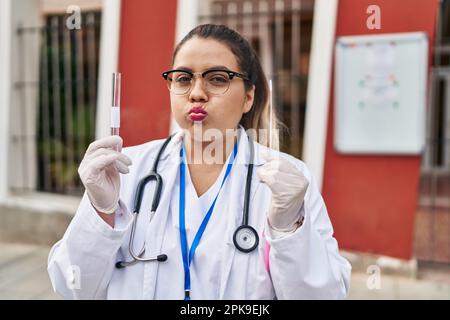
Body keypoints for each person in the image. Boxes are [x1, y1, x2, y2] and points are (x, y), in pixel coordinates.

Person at [47, 24, 351, 300]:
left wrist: (289, 229)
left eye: (217, 79)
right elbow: (74, 287)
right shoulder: (126, 170)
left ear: (248, 97)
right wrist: (101, 213)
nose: (196, 93)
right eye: (182, 78)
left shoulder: (288, 182)